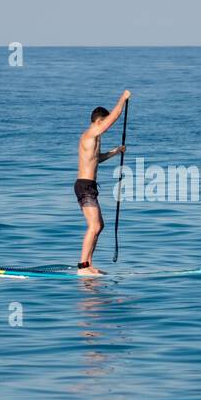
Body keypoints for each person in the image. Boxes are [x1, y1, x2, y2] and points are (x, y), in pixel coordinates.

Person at [74, 90, 130, 275]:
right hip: (84, 186)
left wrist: (115, 151)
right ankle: (82, 266)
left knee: (100, 225)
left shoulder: (93, 138)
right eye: (104, 123)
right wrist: (122, 99)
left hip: (89, 187)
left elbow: (96, 159)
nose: (106, 127)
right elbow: (113, 118)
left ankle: (88, 264)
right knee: (94, 226)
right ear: (98, 121)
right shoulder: (91, 133)